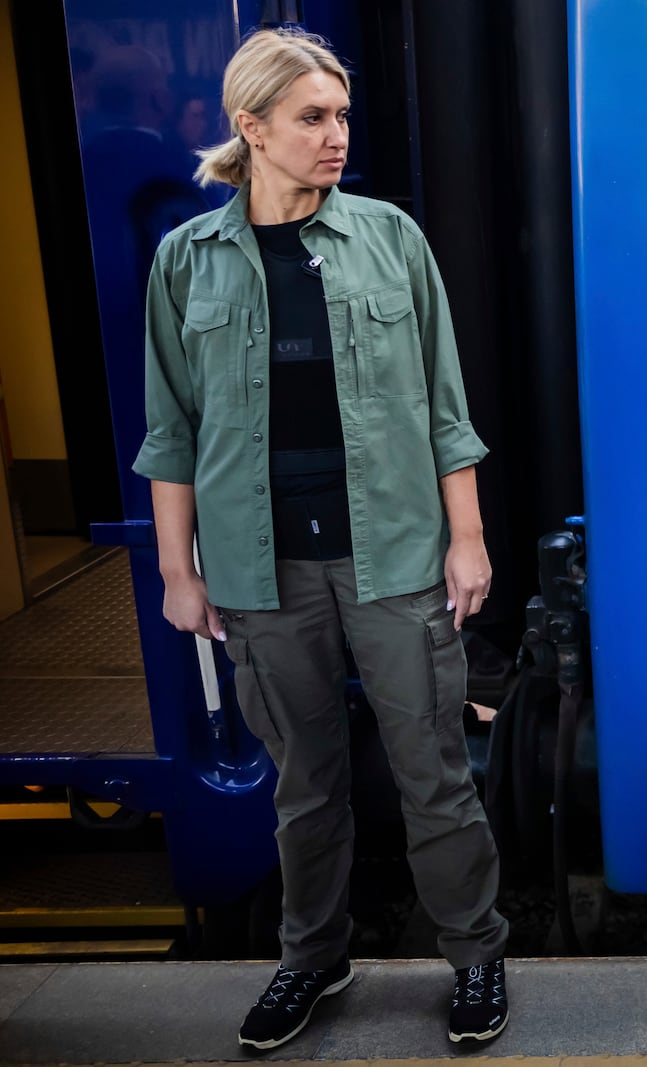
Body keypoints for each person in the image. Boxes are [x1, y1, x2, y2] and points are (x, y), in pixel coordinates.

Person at [134, 28, 511, 1049]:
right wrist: (178, 569)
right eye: (312, 118)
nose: (336, 134)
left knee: (432, 768)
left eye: (341, 114)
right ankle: (312, 956)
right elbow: (170, 429)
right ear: (250, 128)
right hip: (261, 570)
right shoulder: (187, 259)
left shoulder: (390, 237)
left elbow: (445, 409)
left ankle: (475, 956)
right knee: (304, 783)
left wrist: (465, 540)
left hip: (391, 553)